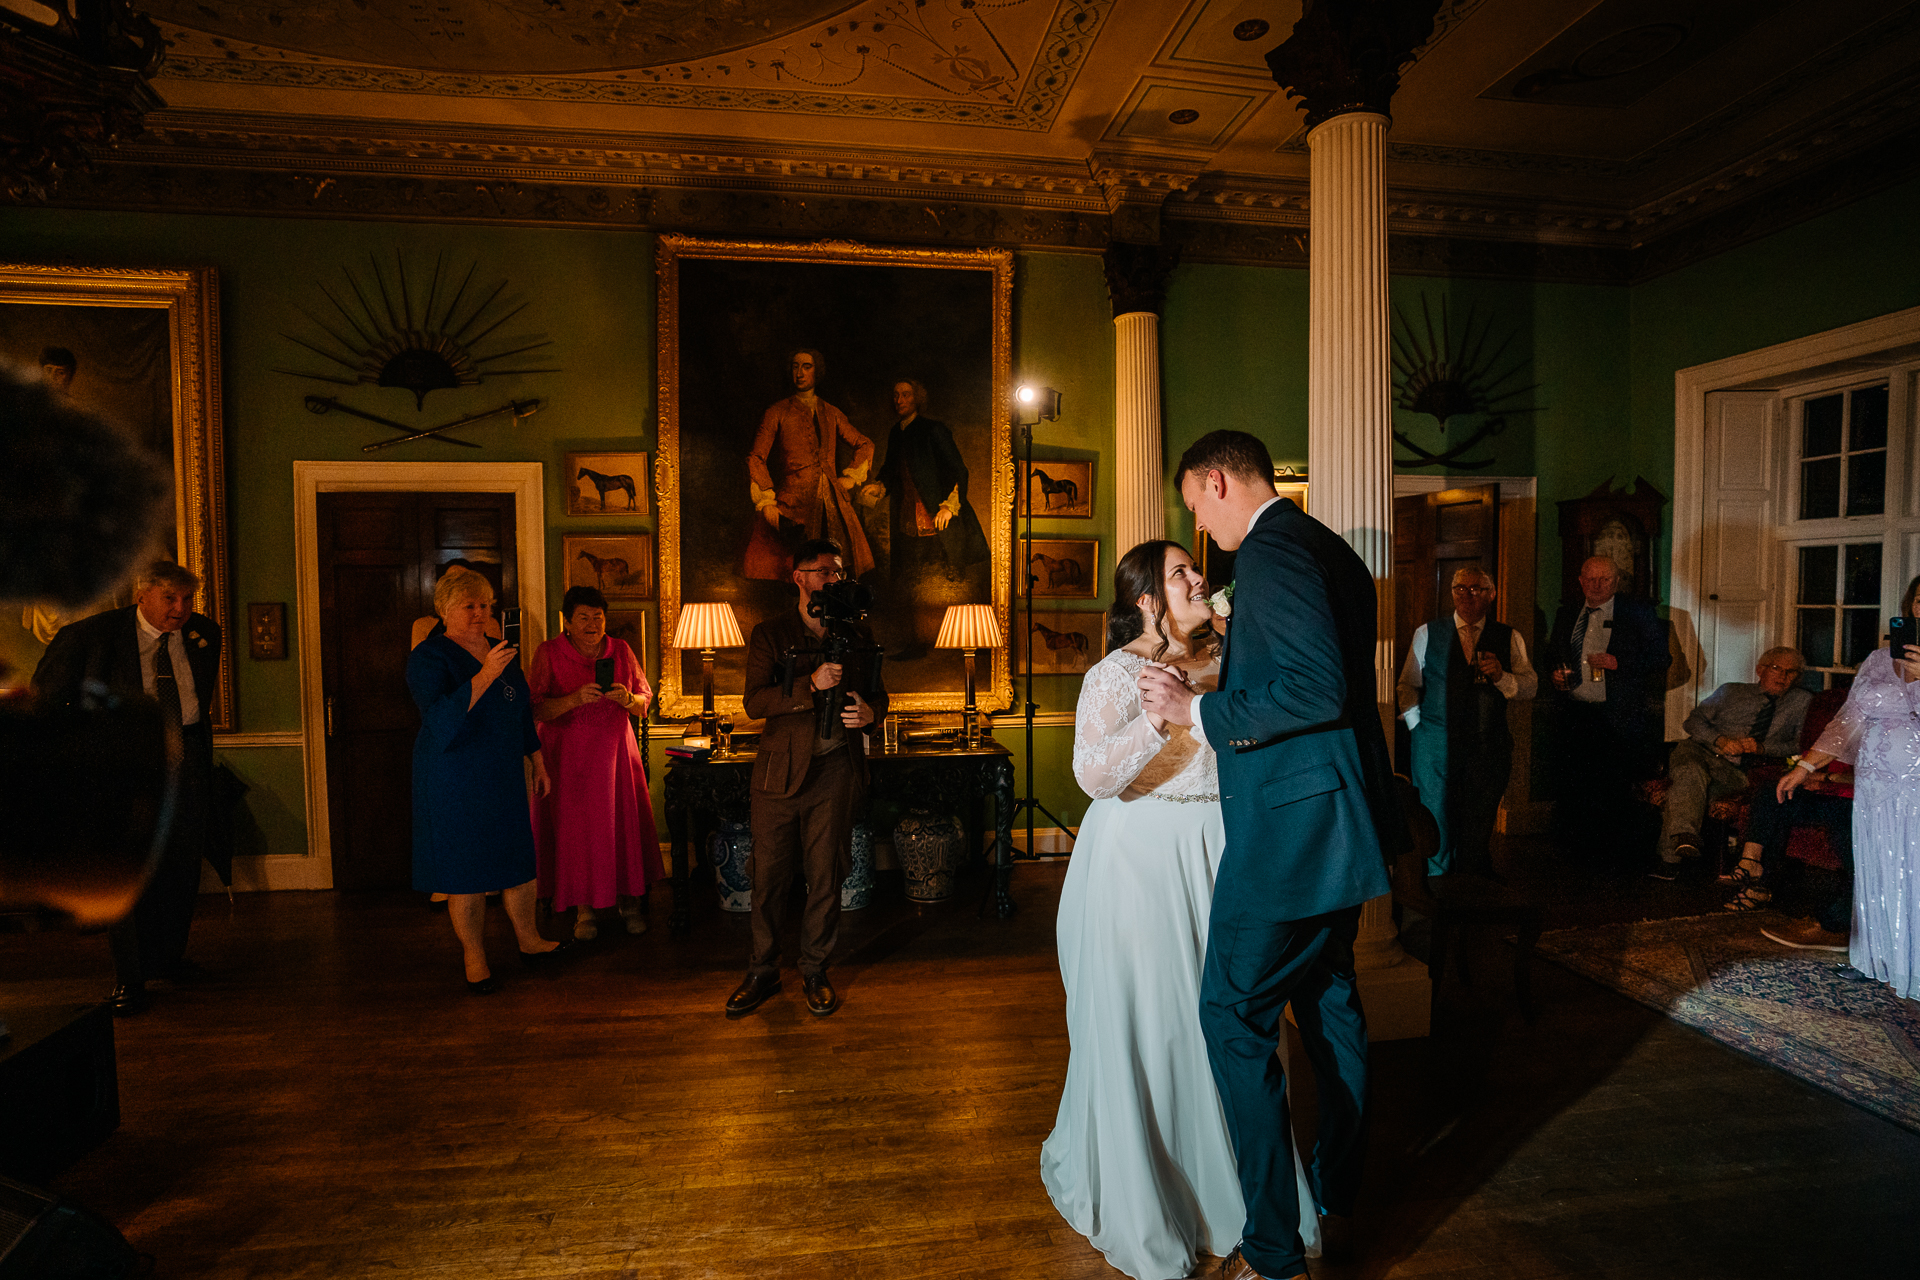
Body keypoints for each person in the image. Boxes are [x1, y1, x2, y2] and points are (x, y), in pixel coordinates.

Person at [1139, 430, 1406, 1280]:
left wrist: (1197, 712)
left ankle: (1273, 1251)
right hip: (1338, 822)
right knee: (1330, 1007)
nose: (1201, 531)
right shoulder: (1326, 547)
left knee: (1232, 1014)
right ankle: (1336, 1192)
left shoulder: (1271, 552)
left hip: (1292, 836)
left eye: (1194, 506)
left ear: (1216, 481)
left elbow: (1315, 687)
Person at [1044, 539, 1320, 1280]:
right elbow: (1095, 776)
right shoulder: (1113, 676)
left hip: (1223, 854)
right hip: (1139, 864)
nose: (1199, 578)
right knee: (1155, 1022)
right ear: (1145, 599)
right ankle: (1158, 1188)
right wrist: (1161, 716)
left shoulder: (1227, 665)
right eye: (1179, 573)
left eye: (1196, 569)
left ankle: (1244, 1192)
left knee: (1227, 1021)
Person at [33, 559, 223, 1015]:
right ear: (143, 594)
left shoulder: (204, 635)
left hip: (187, 760)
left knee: (181, 868)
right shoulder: (90, 636)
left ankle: (168, 960)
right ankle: (131, 978)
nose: (180, 610)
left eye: (187, 600)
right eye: (169, 599)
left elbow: (197, 698)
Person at [724, 538, 890, 1019]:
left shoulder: (858, 635)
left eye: (839, 572)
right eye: (824, 572)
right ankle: (762, 970)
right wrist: (807, 687)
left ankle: (816, 968)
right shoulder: (771, 634)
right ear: (799, 577)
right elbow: (755, 703)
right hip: (778, 775)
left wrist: (869, 712)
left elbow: (882, 696)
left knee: (827, 876)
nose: (834, 580)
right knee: (769, 878)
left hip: (836, 771)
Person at [406, 568, 564, 994]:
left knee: (517, 859)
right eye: (469, 605)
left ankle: (529, 940)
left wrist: (539, 762)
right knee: (466, 868)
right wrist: (485, 674)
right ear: (444, 610)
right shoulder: (428, 656)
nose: (480, 613)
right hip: (453, 775)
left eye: (485, 605)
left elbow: (520, 714)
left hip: (503, 772)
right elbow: (439, 720)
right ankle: (474, 955)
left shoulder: (501, 649)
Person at [1764, 575, 1920, 985]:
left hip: (1916, 786)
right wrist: (1806, 766)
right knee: (1879, 867)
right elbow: (1848, 720)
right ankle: (1883, 959)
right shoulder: (1878, 659)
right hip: (1875, 785)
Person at [528, 585, 663, 941]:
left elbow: (645, 700)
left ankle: (629, 904)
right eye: (583, 618)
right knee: (578, 833)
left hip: (617, 755)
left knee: (621, 827)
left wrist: (627, 698)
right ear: (567, 622)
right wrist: (573, 700)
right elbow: (534, 707)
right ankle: (583, 909)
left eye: (598, 617)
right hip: (568, 761)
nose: (592, 624)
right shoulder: (549, 652)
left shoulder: (621, 650)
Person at [1396, 565, 1538, 878]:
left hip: (1488, 745)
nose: (1467, 595)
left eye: (1475, 589)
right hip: (1433, 744)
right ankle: (1436, 889)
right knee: (1436, 820)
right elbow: (1407, 684)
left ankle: (1470, 890)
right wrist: (1416, 724)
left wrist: (1502, 676)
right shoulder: (1427, 633)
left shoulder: (1508, 636)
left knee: (1478, 821)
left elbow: (1530, 686)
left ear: (1491, 594)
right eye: (1460, 588)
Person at [1545, 555, 1669, 859]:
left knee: (1613, 789)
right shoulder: (1567, 612)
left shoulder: (1638, 613)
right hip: (1575, 711)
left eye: (1604, 579)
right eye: (1590, 578)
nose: (1596, 585)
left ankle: (1611, 857)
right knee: (1574, 784)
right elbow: (1552, 654)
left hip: (1617, 715)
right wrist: (1555, 672)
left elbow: (1661, 659)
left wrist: (1619, 662)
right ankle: (1574, 853)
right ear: (1580, 580)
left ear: (1616, 582)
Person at [1651, 646, 1811, 880]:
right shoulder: (1731, 691)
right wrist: (1720, 740)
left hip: (1737, 768)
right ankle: (1684, 839)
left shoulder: (1801, 701)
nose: (1783, 676)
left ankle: (1671, 858)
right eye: (1776, 668)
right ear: (1760, 670)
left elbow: (1799, 745)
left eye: (1791, 672)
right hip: (1699, 750)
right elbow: (1692, 722)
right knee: (1690, 770)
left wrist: (1762, 748)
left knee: (1688, 787)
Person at [863, 379, 990, 659]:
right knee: (910, 586)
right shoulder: (896, 433)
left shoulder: (934, 430)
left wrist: (948, 507)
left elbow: (959, 470)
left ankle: (962, 646)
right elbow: (890, 470)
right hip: (908, 523)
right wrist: (879, 486)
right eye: (895, 395)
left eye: (905, 394)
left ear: (917, 398)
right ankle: (915, 643)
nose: (899, 400)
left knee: (951, 582)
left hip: (940, 521)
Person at [743, 349, 875, 581]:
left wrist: (851, 477)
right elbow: (756, 457)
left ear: (817, 371)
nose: (800, 373)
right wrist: (766, 500)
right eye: (795, 366)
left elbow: (864, 444)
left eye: (806, 367)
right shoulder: (776, 412)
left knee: (836, 572)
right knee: (797, 571)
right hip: (794, 505)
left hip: (833, 506)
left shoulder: (832, 412)